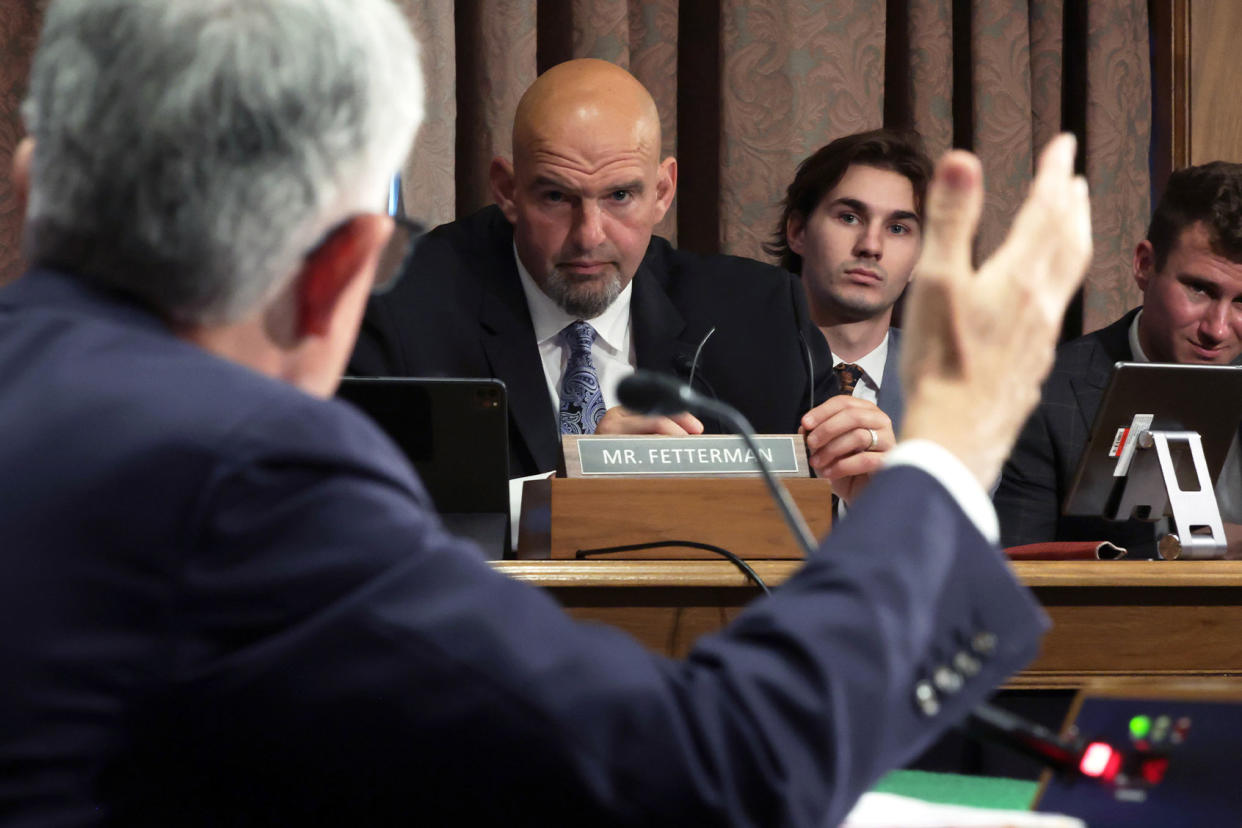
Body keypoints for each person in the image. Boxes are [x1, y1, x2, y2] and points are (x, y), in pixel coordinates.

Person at [0, 0, 1093, 824]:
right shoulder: (244, 471)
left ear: (34, 183)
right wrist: (952, 443)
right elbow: (707, 774)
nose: (589, 231)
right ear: (341, 269)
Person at [350, 59, 894, 493]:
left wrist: (860, 496)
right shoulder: (399, 306)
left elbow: (824, 523)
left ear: (662, 191)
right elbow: (353, 527)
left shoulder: (763, 315)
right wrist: (573, 490)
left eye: (619, 196)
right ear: (508, 191)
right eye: (557, 197)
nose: (590, 235)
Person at [995, 161, 1242, 557]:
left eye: (1241, 303)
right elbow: (1018, 578)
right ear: (1144, 265)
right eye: (1199, 289)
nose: (1217, 328)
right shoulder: (1040, 393)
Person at [767, 129, 933, 433]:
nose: (871, 245)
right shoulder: (723, 368)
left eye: (897, 229)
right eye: (849, 218)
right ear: (798, 232)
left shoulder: (952, 391)